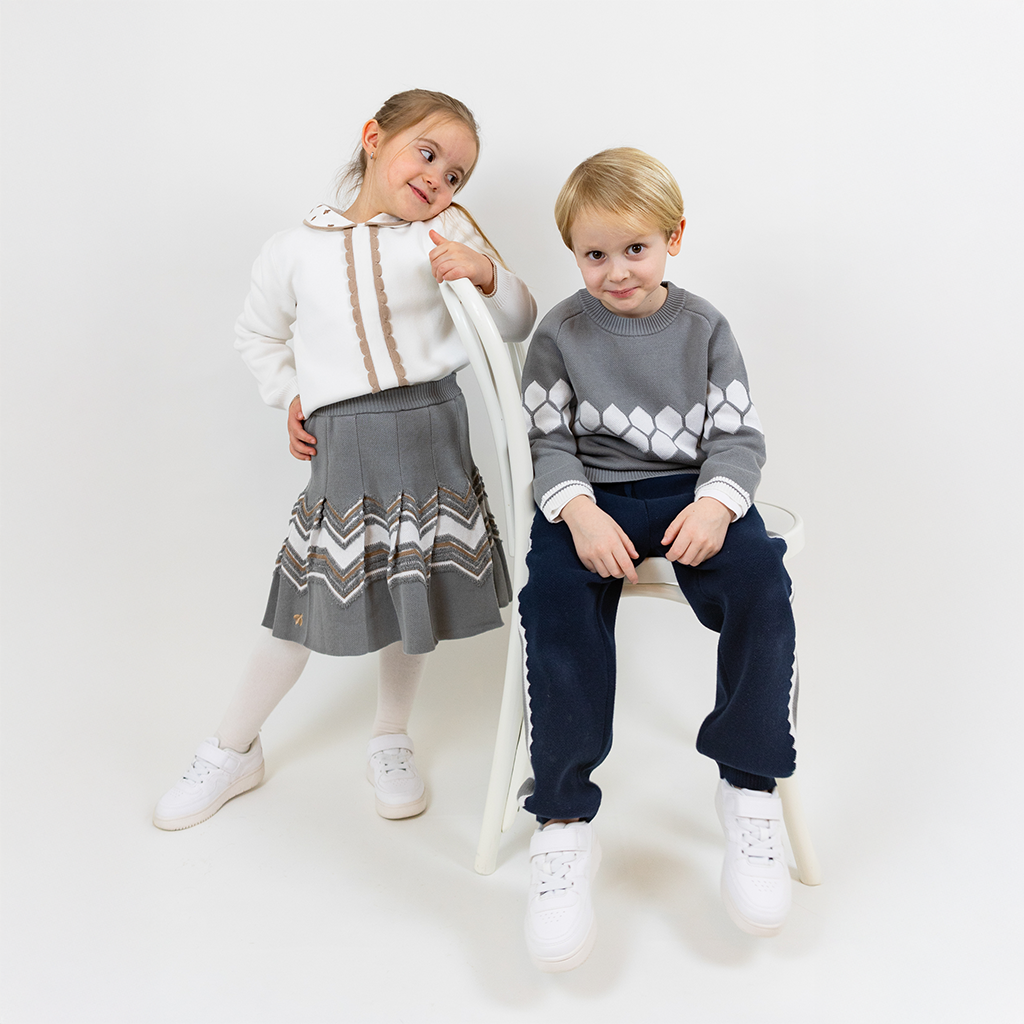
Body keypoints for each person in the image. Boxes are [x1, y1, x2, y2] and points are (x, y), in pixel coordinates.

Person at [154, 89, 536, 831]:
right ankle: (232, 748)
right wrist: (291, 393)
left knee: (412, 591)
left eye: (455, 175)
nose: (437, 179)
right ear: (373, 137)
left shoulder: (446, 231)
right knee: (300, 607)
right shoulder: (293, 248)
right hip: (346, 444)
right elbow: (258, 334)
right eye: (427, 153)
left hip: (431, 431)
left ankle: (391, 736)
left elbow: (518, 318)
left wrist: (487, 274)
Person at [517, 148, 798, 971]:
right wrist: (578, 512)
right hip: (594, 497)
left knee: (761, 580)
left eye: (634, 249)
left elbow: (737, 437)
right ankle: (564, 820)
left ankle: (748, 787)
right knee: (554, 602)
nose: (615, 271)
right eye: (594, 254)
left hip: (691, 491)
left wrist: (716, 503)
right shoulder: (559, 333)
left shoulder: (705, 327)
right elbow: (548, 443)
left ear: (674, 238)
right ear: (573, 253)